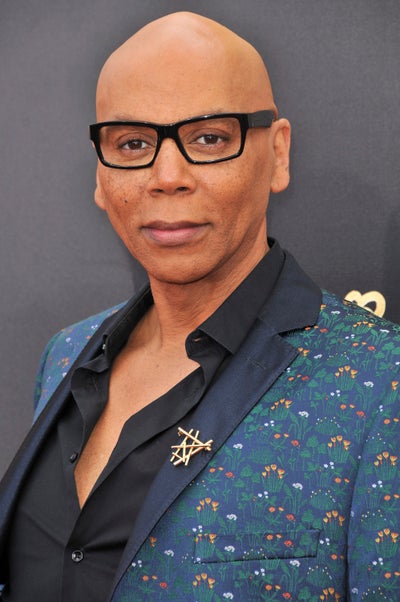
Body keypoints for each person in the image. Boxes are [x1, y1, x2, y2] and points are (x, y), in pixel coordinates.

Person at [0, 11, 399, 602]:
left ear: (278, 154)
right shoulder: (66, 354)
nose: (168, 176)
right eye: (133, 143)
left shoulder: (381, 382)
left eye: (209, 138)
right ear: (100, 173)